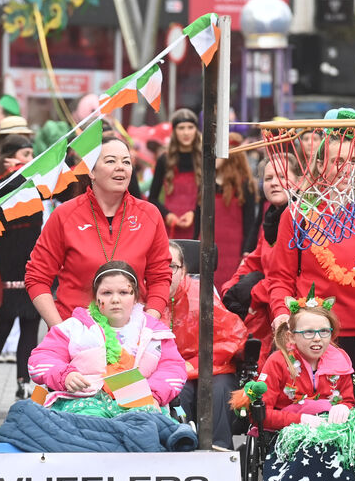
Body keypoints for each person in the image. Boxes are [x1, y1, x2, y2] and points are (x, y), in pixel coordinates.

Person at [267, 122, 355, 400]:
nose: (346, 169)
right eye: (338, 161)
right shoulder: (297, 216)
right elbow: (280, 278)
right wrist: (281, 312)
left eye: (353, 161)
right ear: (320, 165)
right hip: (309, 337)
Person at [26, 136, 171, 326]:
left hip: (133, 334)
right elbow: (36, 277)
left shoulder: (149, 214)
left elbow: (160, 276)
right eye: (111, 161)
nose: (121, 167)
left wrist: (147, 325)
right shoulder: (65, 215)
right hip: (76, 333)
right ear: (91, 171)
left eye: (126, 162)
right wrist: (59, 329)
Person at [28, 260, 187, 415]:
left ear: (135, 296)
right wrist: (64, 375)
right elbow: (41, 359)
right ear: (95, 297)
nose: (115, 299)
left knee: (145, 422)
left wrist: (153, 394)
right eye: (107, 293)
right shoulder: (74, 328)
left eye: (124, 292)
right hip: (83, 403)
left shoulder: (155, 333)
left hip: (141, 405)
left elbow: (173, 369)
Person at [0, 135, 42, 399]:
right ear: (9, 157)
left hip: (33, 258)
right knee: (2, 323)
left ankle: (24, 382)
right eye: (25, 154)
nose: (30, 159)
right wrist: (11, 173)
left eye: (31, 154)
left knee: (30, 323)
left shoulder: (37, 180)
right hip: (5, 259)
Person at [165, 241, 246, 447]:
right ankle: (180, 444)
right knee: (177, 393)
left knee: (220, 390)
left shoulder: (201, 293)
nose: (165, 272)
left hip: (211, 365)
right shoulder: (137, 297)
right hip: (168, 370)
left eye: (172, 266)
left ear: (183, 270)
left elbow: (230, 339)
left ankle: (219, 448)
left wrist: (192, 365)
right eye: (158, 264)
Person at [223, 152, 292, 346]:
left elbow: (291, 275)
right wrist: (231, 287)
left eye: (282, 177)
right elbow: (254, 259)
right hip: (264, 307)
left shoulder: (303, 219)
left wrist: (253, 292)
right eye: (268, 178)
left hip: (287, 310)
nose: (274, 183)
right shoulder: (270, 219)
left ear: (299, 182)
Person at [258, 296, 355, 432]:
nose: (317, 338)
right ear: (291, 336)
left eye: (324, 331)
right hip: (288, 436)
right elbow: (259, 415)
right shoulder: (277, 362)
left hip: (332, 433)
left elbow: (349, 401)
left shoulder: (339, 362)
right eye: (308, 332)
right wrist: (301, 420)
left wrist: (344, 407)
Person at [148, 109, 202, 240]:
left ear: (196, 130)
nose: (186, 132)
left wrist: (194, 214)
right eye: (181, 128)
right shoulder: (164, 160)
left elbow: (211, 198)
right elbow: (153, 198)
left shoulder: (204, 159)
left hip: (198, 224)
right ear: (174, 131)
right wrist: (167, 215)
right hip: (170, 226)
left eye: (190, 127)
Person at [213, 141, 259, 285]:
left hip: (233, 246)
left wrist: (246, 250)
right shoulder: (208, 181)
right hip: (211, 241)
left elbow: (250, 221)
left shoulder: (245, 185)